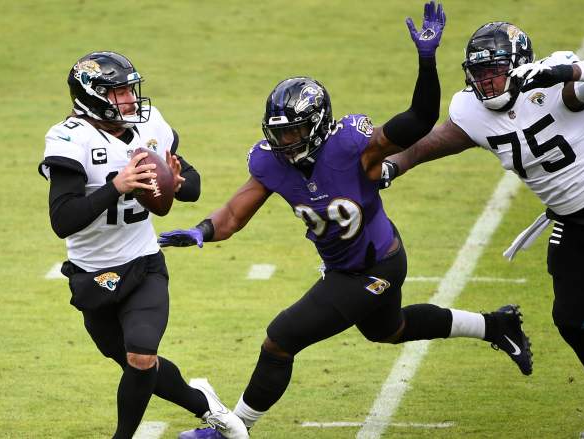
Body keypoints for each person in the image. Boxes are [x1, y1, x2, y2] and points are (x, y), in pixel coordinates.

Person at [159, 5, 534, 438]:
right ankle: (496, 325)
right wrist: (201, 231)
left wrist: (427, 61)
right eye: (279, 133)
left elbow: (418, 120)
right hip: (347, 265)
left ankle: (233, 428)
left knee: (280, 339)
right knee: (389, 330)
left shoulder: (354, 148)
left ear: (317, 127)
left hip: (376, 265)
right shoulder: (271, 162)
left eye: (293, 133)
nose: (284, 142)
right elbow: (233, 213)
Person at [382, 21, 584, 438]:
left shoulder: (555, 82)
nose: (487, 81)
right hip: (571, 218)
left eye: (495, 70)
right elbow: (433, 142)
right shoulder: (471, 109)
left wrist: (570, 73)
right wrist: (394, 165)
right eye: (479, 72)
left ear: (520, 64)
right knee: (574, 321)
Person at [38, 51, 248, 439]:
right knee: (136, 364)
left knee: (141, 354)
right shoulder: (72, 138)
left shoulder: (150, 124)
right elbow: (62, 221)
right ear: (91, 95)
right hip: (91, 274)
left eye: (130, 89)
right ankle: (205, 404)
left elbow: (193, 185)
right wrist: (116, 186)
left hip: (144, 265)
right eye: (118, 91)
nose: (131, 99)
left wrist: (179, 182)